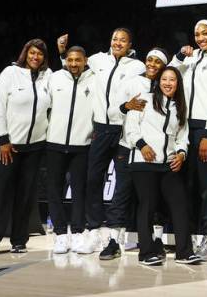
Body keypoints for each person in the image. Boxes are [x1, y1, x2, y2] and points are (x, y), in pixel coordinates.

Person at [58, 28, 145, 257]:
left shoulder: (137, 66)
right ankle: (94, 231)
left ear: (130, 44)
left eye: (123, 40)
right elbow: (73, 66)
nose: (117, 42)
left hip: (124, 129)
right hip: (100, 128)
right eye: (115, 38)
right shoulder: (97, 60)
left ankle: (119, 231)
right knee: (93, 179)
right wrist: (62, 52)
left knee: (124, 182)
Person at [0, 39, 52, 257]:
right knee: (1, 195)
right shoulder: (10, 73)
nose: (35, 57)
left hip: (36, 147)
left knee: (26, 195)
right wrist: (3, 139)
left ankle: (19, 240)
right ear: (25, 53)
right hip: (8, 145)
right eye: (32, 53)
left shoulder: (49, 76)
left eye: (39, 54)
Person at [124, 67, 202, 265]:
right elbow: (130, 128)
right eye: (164, 79)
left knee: (180, 205)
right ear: (158, 81)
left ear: (178, 84)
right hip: (144, 161)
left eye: (172, 80)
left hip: (167, 163)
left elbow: (182, 137)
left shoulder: (180, 107)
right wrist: (142, 145)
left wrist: (181, 154)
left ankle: (184, 252)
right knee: (147, 205)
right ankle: (146, 253)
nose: (168, 83)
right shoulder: (144, 99)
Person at [170, 19, 207, 261]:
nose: (201, 38)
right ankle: (189, 237)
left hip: (206, 130)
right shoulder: (192, 59)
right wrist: (179, 56)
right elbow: (170, 75)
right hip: (185, 128)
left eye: (205, 33)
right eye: (197, 34)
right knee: (186, 187)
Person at [106, 47, 172, 257]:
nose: (152, 64)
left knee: (157, 197)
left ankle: (158, 240)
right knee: (122, 194)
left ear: (164, 66)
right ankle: (114, 241)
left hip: (156, 153)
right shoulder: (131, 82)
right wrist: (126, 106)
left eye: (157, 62)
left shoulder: (167, 86)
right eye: (149, 60)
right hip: (129, 147)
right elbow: (111, 112)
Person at [45, 45, 95, 254]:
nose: (74, 64)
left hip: (81, 144)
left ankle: (77, 233)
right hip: (54, 143)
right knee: (54, 190)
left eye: (78, 60)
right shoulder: (55, 78)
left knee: (79, 191)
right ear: (65, 60)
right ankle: (60, 234)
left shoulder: (94, 79)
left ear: (85, 61)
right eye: (70, 60)